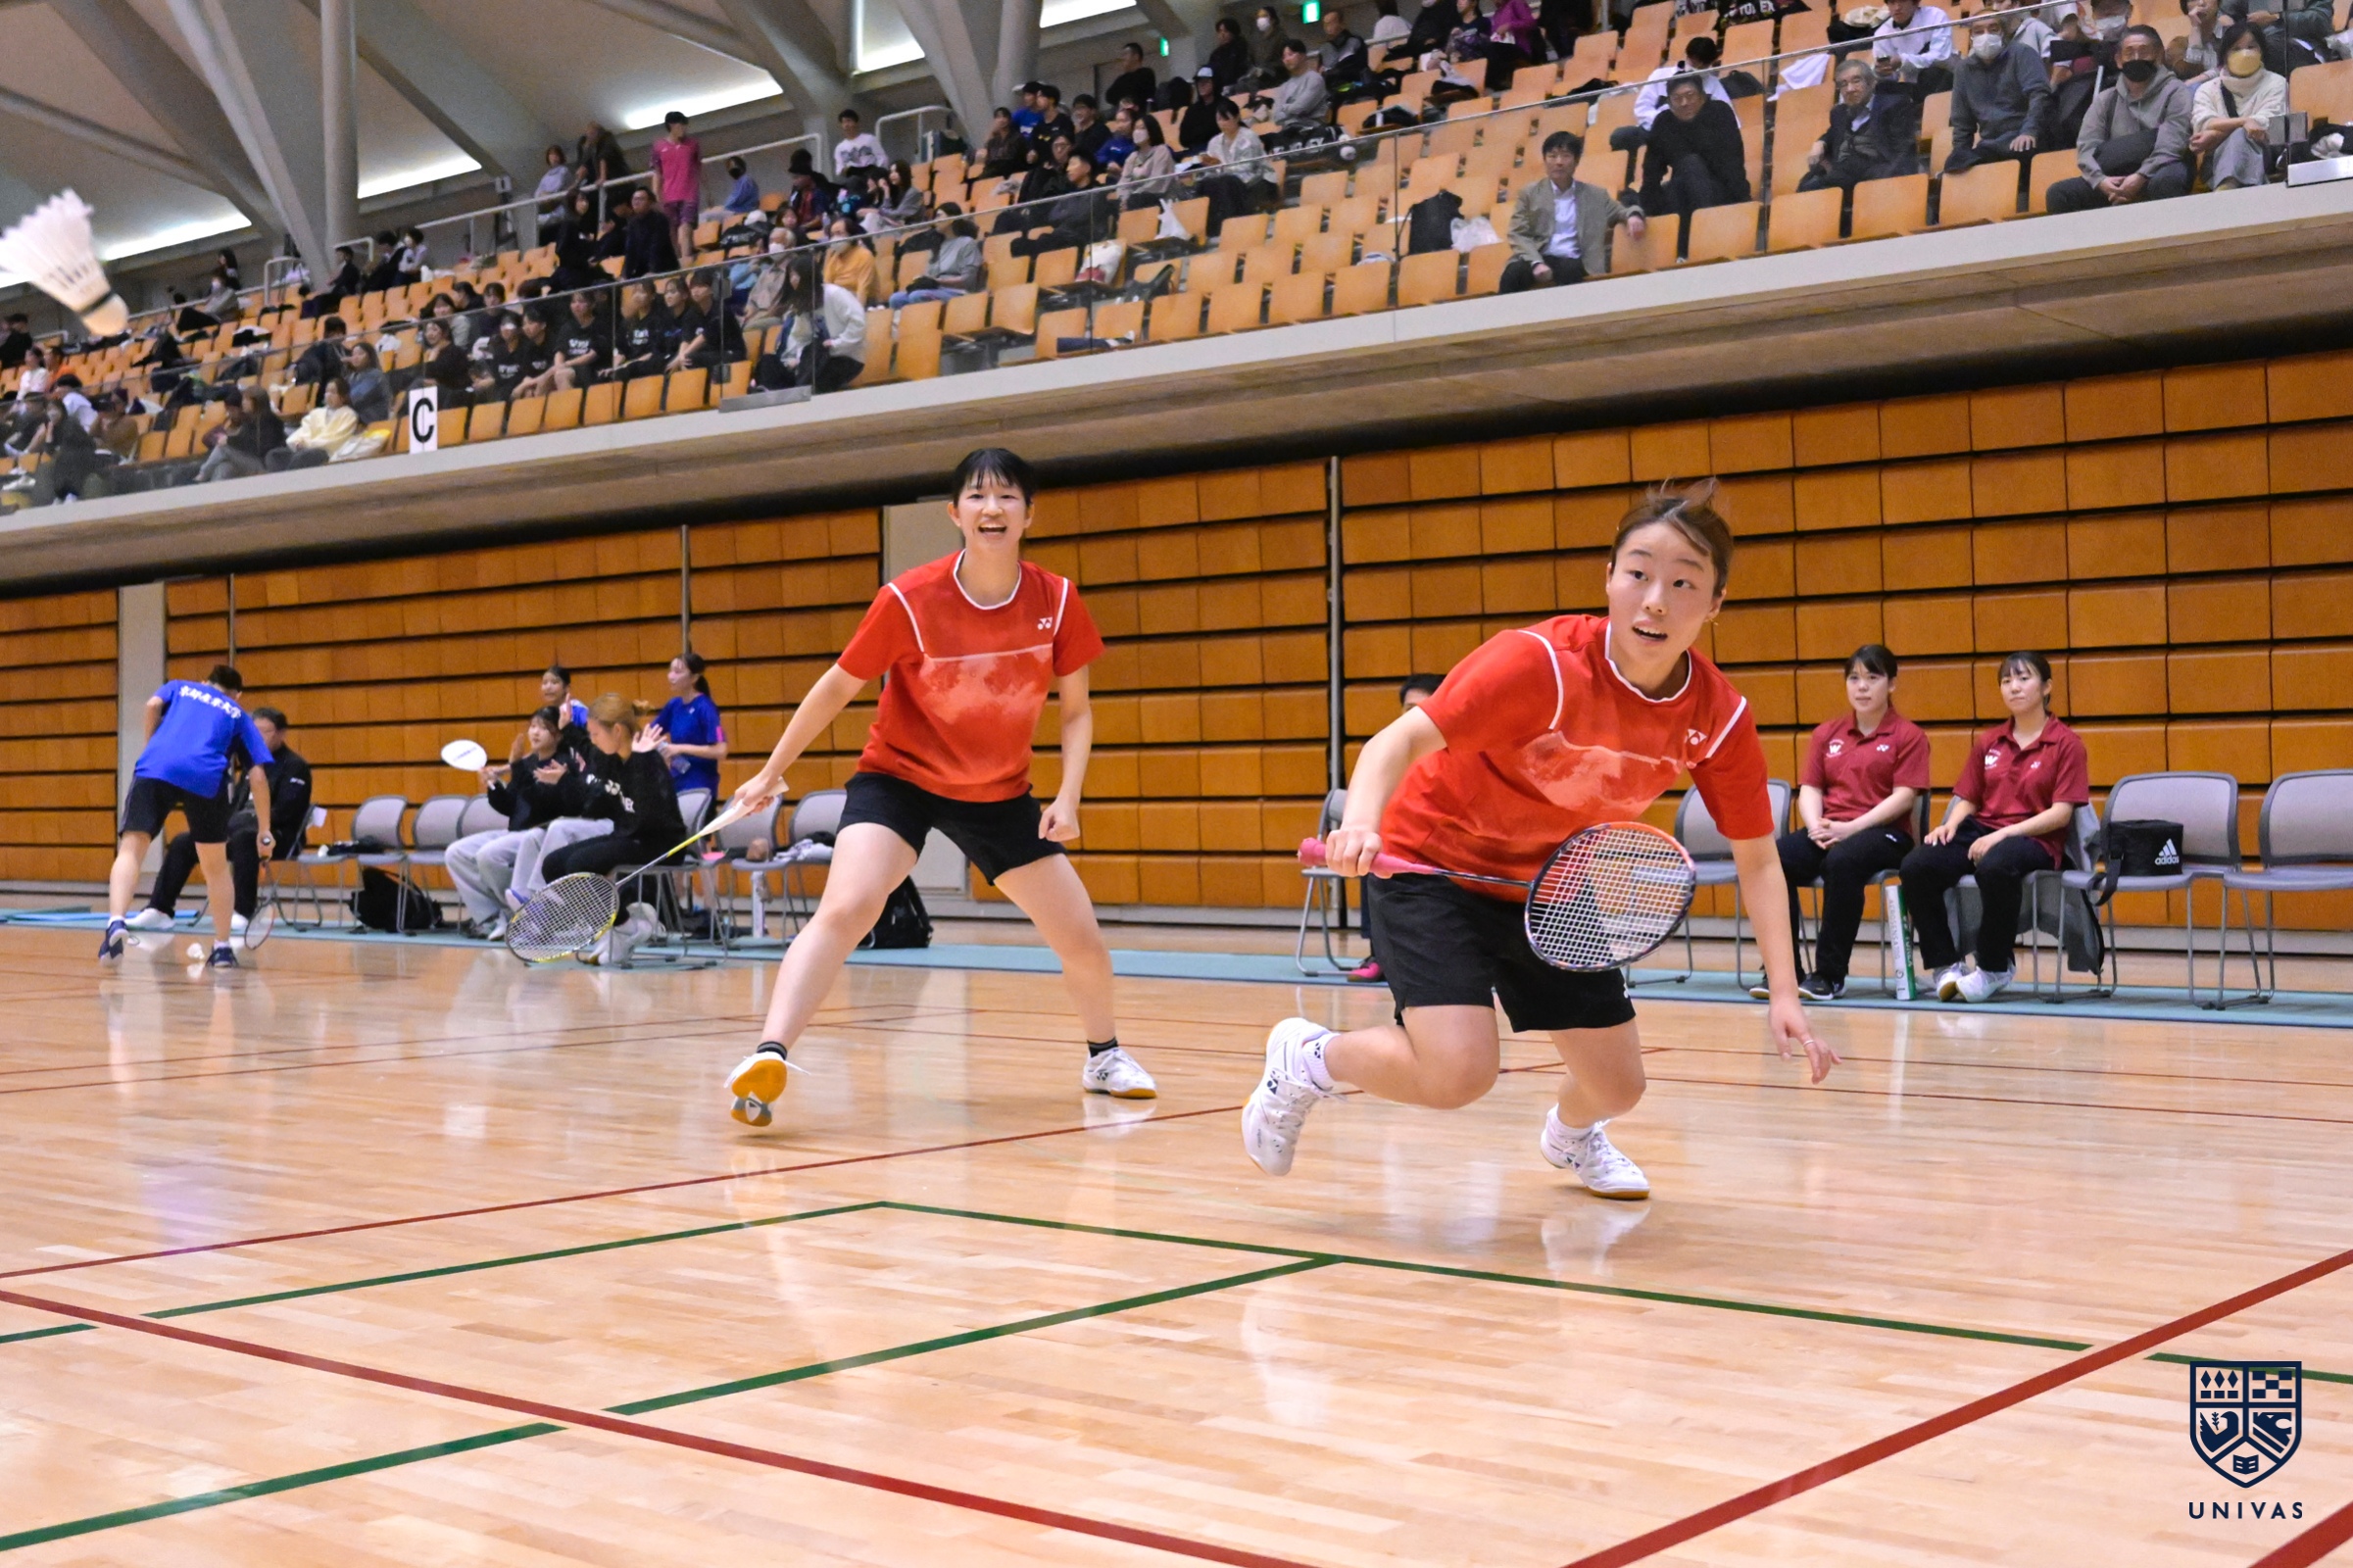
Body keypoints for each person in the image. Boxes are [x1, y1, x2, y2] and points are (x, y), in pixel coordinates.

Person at [1242, 485, 1832, 1198]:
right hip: (1431, 864)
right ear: (1608, 579)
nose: (1655, 601)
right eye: (1638, 574)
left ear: (1714, 604)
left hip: (1550, 884)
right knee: (1458, 1074)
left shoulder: (1718, 716)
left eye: (1683, 584)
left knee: (1617, 1087)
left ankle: (1571, 1136)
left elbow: (1758, 859)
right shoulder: (1538, 662)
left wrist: (1784, 992)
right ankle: (1307, 1059)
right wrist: (1361, 821)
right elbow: (1397, 741)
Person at [717, 447, 1153, 1128]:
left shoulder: (1058, 600)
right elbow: (837, 685)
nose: (991, 508)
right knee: (848, 906)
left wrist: (1068, 796)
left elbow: (1076, 711)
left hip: (999, 791)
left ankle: (1103, 1057)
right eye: (977, 496)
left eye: (1006, 497)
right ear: (955, 513)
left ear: (1029, 515)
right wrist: (772, 770)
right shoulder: (908, 599)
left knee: (1081, 939)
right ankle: (768, 1053)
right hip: (899, 779)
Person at [1896, 651, 2090, 1004]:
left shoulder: (2066, 744)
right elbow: (1969, 797)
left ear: (2047, 687)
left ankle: (1993, 967)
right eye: (2006, 680)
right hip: (1982, 828)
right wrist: (1949, 826)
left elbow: (2061, 814)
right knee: (1917, 866)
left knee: (1996, 866)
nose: (2014, 687)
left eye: (2023, 678)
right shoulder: (1989, 742)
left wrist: (2002, 835)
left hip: (2036, 837)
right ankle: (1946, 965)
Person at [1758, 645, 1928, 1003]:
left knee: (1843, 861)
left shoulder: (1908, 736)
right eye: (1854, 678)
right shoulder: (1827, 734)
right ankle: (1783, 971)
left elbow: (1904, 797)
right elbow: (1810, 789)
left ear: (1891, 684)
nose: (1862, 687)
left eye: (1872, 677)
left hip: (1885, 835)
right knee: (1774, 860)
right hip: (1831, 829)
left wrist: (1851, 829)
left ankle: (1829, 975)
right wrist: (1815, 826)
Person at [100, 664, 275, 969]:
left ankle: (116, 921)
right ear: (237, 695)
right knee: (215, 867)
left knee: (132, 848)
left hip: (156, 766)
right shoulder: (237, 713)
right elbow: (257, 777)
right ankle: (222, 948)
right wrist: (265, 831)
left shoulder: (180, 687)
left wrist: (151, 746)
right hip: (206, 776)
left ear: (205, 682)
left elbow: (152, 705)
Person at [125, 705, 311, 936]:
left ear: (281, 734)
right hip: (238, 831)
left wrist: (247, 822)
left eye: (265, 731)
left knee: (245, 838)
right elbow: (234, 807)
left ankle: (243, 912)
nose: (258, 737)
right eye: (254, 731)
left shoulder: (295, 766)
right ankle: (159, 909)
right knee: (184, 842)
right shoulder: (250, 765)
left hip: (278, 837)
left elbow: (287, 811)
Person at [447, 706, 584, 939]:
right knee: (456, 853)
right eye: (533, 726)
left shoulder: (562, 765)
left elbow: (543, 804)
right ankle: (492, 917)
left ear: (558, 735)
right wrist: (493, 785)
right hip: (513, 833)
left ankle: (524, 912)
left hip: (540, 835)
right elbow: (509, 805)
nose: (535, 732)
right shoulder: (528, 763)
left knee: (489, 855)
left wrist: (517, 766)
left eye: (544, 728)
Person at [1348, 672, 1444, 986]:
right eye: (1409, 709)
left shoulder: (1459, 752)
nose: (1415, 716)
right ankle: (1379, 954)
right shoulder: (1391, 752)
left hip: (1447, 845)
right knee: (1372, 857)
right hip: (1400, 841)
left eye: (1424, 708)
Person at [2044, 24, 2193, 211]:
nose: (2136, 58)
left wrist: (2141, 176)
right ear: (2119, 60)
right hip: (2115, 176)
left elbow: (2173, 143)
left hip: (2160, 167)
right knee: (2059, 194)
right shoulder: (2106, 99)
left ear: (2159, 55)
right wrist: (2101, 181)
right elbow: (2087, 146)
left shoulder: (2176, 91)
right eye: (2129, 53)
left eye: (2144, 52)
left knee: (2168, 180)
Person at [1500, 130, 1645, 291]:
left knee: (1570, 270)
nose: (1559, 162)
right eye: (1552, 156)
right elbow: (1518, 233)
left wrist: (1633, 216)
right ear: (1545, 160)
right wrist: (1536, 262)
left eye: (1566, 156)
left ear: (1576, 161)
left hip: (1575, 260)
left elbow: (1623, 211)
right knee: (1513, 273)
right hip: (1539, 256)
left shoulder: (1596, 196)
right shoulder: (1529, 194)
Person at [1946, 11, 2051, 171]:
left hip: (2025, 135)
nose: (1986, 35)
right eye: (1979, 31)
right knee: (1955, 165)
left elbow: (2039, 95)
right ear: (1971, 36)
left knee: (2024, 149)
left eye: (1993, 29)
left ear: (2003, 32)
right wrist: (1960, 155)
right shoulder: (1963, 69)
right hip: (1990, 145)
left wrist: (2029, 131)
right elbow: (1962, 121)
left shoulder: (2022, 53)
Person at [1801, 57, 1925, 190]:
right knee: (1807, 185)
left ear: (1871, 83)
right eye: (1843, 84)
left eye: (1856, 81)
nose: (1850, 89)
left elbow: (1904, 149)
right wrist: (1821, 143)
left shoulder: (1894, 106)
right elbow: (1833, 133)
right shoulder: (1839, 113)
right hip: (1842, 175)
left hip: (1879, 172)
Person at [1640, 75, 1751, 220]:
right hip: (1683, 191)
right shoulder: (1663, 122)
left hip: (1723, 188)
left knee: (1692, 164)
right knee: (1669, 190)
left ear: (1702, 97)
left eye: (1690, 95)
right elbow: (1651, 170)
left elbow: (1733, 163)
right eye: (1677, 98)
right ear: (1669, 102)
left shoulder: (1719, 112)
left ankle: (1706, 223)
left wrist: (1742, 199)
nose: (1684, 103)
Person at [2189, 24, 2284, 188]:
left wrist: (2215, 135)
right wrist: (2244, 122)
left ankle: (2228, 188)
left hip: (2264, 155)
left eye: (2251, 47)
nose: (2245, 53)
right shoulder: (2207, 89)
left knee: (2241, 136)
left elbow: (2269, 123)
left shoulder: (2277, 82)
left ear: (2261, 51)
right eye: (2236, 49)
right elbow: (2203, 122)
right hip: (2214, 162)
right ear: (2224, 55)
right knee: (2240, 132)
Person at [768, 257, 866, 391]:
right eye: (790, 276)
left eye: (795, 275)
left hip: (846, 357)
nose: (792, 280)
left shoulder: (835, 294)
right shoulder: (803, 304)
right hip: (815, 360)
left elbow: (858, 323)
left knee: (813, 375)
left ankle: (801, 393)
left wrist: (837, 343)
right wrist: (799, 358)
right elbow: (801, 337)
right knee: (769, 362)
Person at [644, 651, 728, 801]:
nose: (671, 676)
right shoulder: (673, 705)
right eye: (670, 670)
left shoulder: (706, 708)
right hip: (676, 782)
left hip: (700, 786)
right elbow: (651, 732)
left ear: (694, 678)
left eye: (677, 672)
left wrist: (680, 748)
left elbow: (721, 750)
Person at [268, 376, 360, 469]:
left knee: (303, 457)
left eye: (333, 392)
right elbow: (304, 430)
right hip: (305, 449)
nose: (328, 395)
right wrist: (298, 442)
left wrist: (308, 444)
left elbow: (335, 440)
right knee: (274, 455)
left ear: (343, 397)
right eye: (327, 391)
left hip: (325, 452)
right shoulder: (317, 412)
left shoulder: (349, 415)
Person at [891, 214, 983, 305]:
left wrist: (938, 281)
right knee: (896, 298)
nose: (936, 221)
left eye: (939, 216)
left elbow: (968, 280)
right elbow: (931, 275)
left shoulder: (968, 243)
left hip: (957, 291)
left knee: (917, 295)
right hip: (937, 289)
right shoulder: (937, 247)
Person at [196, 387, 283, 482]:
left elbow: (258, 447)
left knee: (223, 447)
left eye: (246, 400)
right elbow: (244, 440)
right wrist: (231, 440)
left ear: (256, 401)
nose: (243, 403)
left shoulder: (270, 420)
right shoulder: (249, 420)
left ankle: (201, 476)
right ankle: (213, 489)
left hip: (264, 464)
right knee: (225, 466)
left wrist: (229, 440)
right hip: (251, 460)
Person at [651, 111, 704, 264]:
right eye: (681, 125)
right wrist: (656, 195)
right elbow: (657, 173)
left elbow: (699, 168)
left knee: (685, 226)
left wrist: (707, 191)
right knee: (672, 230)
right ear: (671, 126)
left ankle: (686, 259)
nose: (684, 129)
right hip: (669, 195)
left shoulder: (692, 144)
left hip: (689, 193)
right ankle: (678, 259)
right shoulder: (659, 147)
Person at [1874, 0, 1955, 89]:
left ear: (1915, 2)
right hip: (1912, 87)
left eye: (1902, 1)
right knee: (1881, 87)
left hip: (1947, 78)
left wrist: (1903, 61)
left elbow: (1942, 57)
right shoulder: (1882, 33)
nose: (1897, 8)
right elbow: (1892, 78)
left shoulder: (1935, 16)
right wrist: (1881, 72)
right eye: (1892, 2)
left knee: (1932, 74)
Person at [1267, 37, 1332, 136]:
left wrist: (1284, 107)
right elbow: (1276, 117)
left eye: (1290, 54)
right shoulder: (1284, 87)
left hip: (1313, 130)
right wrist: (1291, 108)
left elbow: (1300, 108)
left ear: (1302, 55)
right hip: (1288, 132)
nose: (1287, 60)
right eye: (1284, 57)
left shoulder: (1314, 79)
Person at [1118, 115, 1179, 207]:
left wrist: (1135, 195)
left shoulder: (1161, 150)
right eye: (1135, 128)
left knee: (1137, 201)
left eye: (1142, 128)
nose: (1137, 132)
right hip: (1135, 200)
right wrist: (1124, 199)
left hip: (1161, 199)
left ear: (1151, 130)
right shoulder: (1132, 157)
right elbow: (1123, 182)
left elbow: (1157, 181)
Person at [555, 290, 611, 386]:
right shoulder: (567, 327)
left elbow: (592, 355)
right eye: (573, 302)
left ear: (592, 305)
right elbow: (560, 352)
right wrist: (558, 366)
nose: (576, 305)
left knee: (561, 375)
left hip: (591, 369)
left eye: (581, 301)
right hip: (570, 368)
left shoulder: (600, 326)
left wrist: (566, 364)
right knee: (551, 376)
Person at [623, 185, 682, 277]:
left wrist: (653, 270)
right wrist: (625, 275)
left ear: (650, 202)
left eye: (641, 199)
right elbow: (630, 250)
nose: (636, 202)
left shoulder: (659, 219)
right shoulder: (632, 223)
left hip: (664, 267)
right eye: (634, 199)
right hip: (643, 269)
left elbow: (657, 247)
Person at [340, 338, 392, 421]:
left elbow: (357, 396)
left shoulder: (375, 375)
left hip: (373, 416)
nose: (355, 357)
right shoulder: (351, 376)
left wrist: (338, 399)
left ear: (370, 357)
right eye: (353, 354)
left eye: (360, 354)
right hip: (355, 415)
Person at [834, 109, 888, 178]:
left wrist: (877, 175)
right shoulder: (840, 148)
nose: (846, 125)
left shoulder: (870, 139)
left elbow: (882, 158)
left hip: (871, 175)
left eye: (848, 121)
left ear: (856, 123)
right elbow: (840, 168)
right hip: (853, 177)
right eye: (843, 122)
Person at [1179, 68, 1225, 149]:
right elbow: (1183, 139)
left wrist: (1198, 133)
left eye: (1206, 81)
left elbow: (1224, 130)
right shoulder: (1192, 110)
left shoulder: (1225, 105)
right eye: (1199, 82)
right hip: (1196, 150)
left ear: (1215, 83)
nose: (1201, 85)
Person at [706, 156, 760, 223]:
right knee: (706, 214)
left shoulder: (745, 181)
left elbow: (736, 200)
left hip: (741, 212)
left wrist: (721, 208)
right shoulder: (740, 181)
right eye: (729, 168)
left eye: (733, 168)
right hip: (735, 211)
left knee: (705, 216)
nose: (731, 171)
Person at [1106, 41, 1159, 111]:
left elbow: (1139, 91)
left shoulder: (1146, 73)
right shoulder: (1122, 78)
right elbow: (1109, 96)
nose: (1123, 58)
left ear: (1136, 56)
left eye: (1125, 54)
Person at [1208, 16, 1253, 86]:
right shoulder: (1216, 54)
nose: (1222, 34)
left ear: (1233, 33)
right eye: (1220, 31)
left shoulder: (1242, 49)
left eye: (1226, 31)